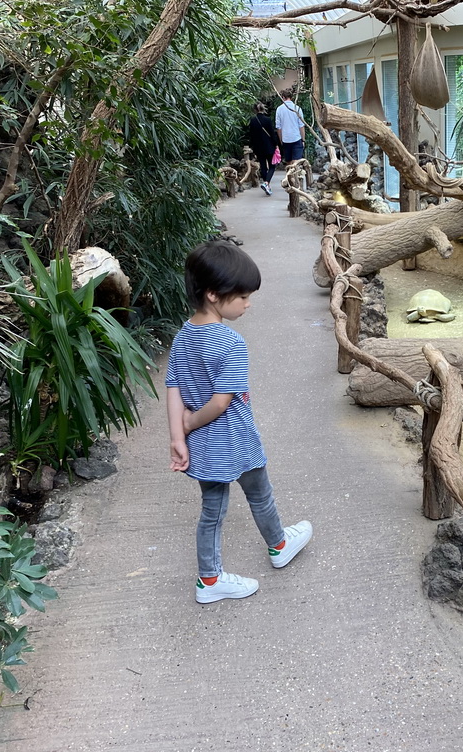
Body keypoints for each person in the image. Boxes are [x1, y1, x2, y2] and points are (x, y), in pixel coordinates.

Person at [166, 240, 312, 604]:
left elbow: (173, 388)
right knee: (260, 493)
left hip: (205, 449)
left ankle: (210, 580)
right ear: (214, 295)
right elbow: (220, 403)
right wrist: (188, 425)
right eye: (243, 296)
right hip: (236, 439)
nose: (248, 303)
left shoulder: (183, 337)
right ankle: (278, 545)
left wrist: (178, 436)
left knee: (212, 512)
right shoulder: (231, 343)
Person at [246, 101, 278, 196]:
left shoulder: (253, 120)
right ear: (263, 109)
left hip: (258, 147)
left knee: (263, 166)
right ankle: (266, 183)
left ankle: (266, 184)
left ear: (255, 110)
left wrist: (253, 147)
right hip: (269, 146)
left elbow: (251, 135)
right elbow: (272, 134)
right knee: (272, 166)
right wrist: (276, 144)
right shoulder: (267, 120)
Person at [274, 86, 306, 164]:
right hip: (296, 137)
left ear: (283, 97)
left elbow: (278, 127)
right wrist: (303, 139)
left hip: (286, 139)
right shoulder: (297, 108)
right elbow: (301, 126)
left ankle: (290, 175)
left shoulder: (279, 109)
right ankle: (296, 175)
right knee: (296, 161)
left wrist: (281, 140)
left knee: (288, 162)